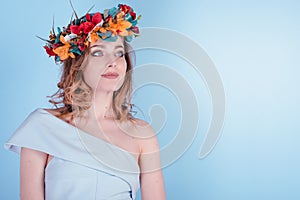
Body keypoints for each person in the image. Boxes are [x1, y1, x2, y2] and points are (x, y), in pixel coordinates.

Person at [4, 3, 166, 200]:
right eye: (98, 52)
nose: (112, 61)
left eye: (119, 53)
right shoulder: (41, 128)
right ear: (77, 65)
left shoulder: (142, 135)